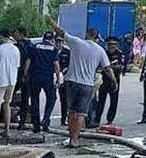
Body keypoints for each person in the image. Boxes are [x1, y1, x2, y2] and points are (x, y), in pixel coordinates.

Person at [46, 19, 116, 148]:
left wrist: (52, 23)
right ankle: (75, 139)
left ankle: (71, 137)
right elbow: (107, 68)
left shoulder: (77, 43)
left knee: (71, 111)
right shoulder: (100, 50)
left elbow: (61, 32)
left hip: (72, 82)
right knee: (82, 113)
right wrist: (114, 81)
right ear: (97, 37)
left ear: (87, 35)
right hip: (87, 85)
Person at [24, 31, 60, 132]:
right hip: (47, 78)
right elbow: (56, 64)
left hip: (35, 77)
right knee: (52, 97)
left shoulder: (35, 47)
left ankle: (36, 125)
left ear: (43, 38)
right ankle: (46, 119)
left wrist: (25, 74)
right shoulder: (54, 49)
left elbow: (28, 61)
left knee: (35, 99)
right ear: (52, 39)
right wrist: (58, 77)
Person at [0, 30, 20, 143]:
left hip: (0, 81)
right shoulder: (16, 49)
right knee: (7, 105)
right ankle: (7, 130)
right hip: (12, 81)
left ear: (2, 37)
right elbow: (17, 66)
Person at [96, 36, 124, 125]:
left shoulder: (119, 53)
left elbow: (121, 67)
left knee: (114, 101)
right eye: (110, 44)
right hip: (104, 80)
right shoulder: (103, 53)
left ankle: (110, 119)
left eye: (114, 44)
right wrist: (110, 67)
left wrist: (109, 67)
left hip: (114, 80)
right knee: (101, 101)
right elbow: (100, 67)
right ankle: (97, 119)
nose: (112, 46)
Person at [11, 27, 32, 129]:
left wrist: (24, 74)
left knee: (8, 98)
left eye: (15, 33)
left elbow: (28, 60)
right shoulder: (31, 45)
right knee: (25, 99)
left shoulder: (17, 47)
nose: (14, 35)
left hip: (20, 75)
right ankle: (22, 121)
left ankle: (14, 119)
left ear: (21, 34)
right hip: (28, 76)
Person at [55, 36, 70, 126]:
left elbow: (70, 64)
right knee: (52, 98)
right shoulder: (51, 50)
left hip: (64, 77)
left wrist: (63, 72)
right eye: (56, 41)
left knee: (64, 100)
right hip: (52, 77)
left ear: (63, 42)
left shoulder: (67, 52)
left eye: (60, 42)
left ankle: (64, 119)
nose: (58, 43)